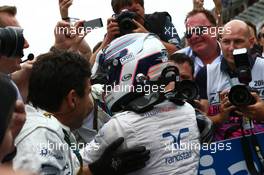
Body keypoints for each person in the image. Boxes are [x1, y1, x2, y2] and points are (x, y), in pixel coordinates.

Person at [89, 33, 213, 175]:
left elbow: (71, 167)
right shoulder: (189, 110)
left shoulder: (120, 125)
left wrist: (98, 169)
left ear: (129, 70)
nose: (108, 83)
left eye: (111, 74)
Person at [13, 51, 150, 175]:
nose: (91, 99)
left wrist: (95, 170)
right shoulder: (42, 136)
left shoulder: (48, 126)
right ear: (72, 99)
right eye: (88, 92)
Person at [195, 19, 264, 141]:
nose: (231, 48)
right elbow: (198, 124)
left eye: (238, 41)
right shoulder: (207, 73)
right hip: (228, 153)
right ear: (219, 42)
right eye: (226, 41)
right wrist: (221, 117)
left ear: (251, 42)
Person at [90, 0, 181, 65]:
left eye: (132, 12)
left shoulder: (160, 20)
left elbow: (179, 53)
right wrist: (108, 40)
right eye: (123, 15)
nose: (129, 19)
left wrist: (148, 36)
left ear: (141, 8)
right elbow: (91, 66)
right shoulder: (114, 33)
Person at [177, 9, 223, 77]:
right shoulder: (176, 61)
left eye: (199, 30)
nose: (194, 36)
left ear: (214, 30)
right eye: (189, 33)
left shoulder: (231, 53)